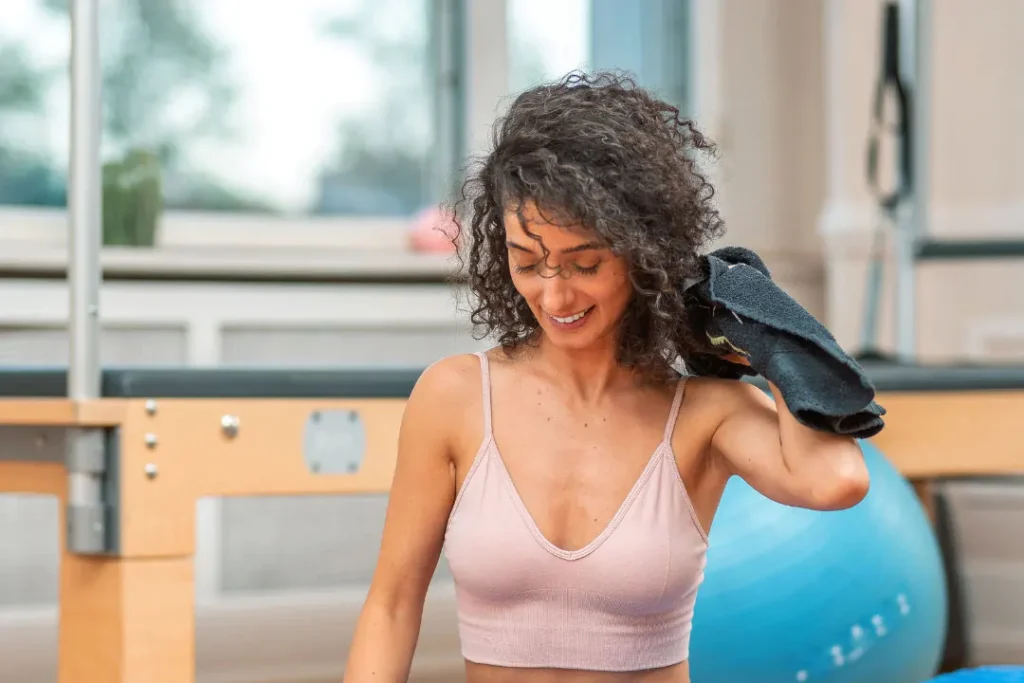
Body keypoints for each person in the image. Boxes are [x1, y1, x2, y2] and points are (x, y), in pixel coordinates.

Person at [343, 71, 870, 683]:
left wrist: (765, 332)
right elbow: (391, 605)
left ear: (643, 250)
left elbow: (837, 482)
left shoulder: (706, 412)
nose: (555, 292)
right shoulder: (455, 396)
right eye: (527, 261)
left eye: (584, 263)